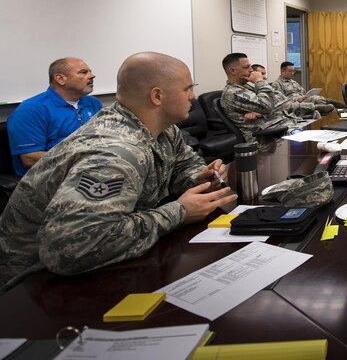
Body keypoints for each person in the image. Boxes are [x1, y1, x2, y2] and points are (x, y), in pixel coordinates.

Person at [0, 52, 237, 291]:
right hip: (35, 285)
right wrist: (180, 211)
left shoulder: (163, 129)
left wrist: (199, 177)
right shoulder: (114, 153)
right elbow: (70, 249)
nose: (192, 97)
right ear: (157, 96)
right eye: (187, 89)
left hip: (107, 261)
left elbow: (183, 165)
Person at [7, 57, 103, 176]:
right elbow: (29, 158)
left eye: (90, 71)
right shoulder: (31, 109)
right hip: (48, 177)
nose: (92, 76)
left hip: (91, 168)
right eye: (83, 72)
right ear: (60, 79)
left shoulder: (93, 103)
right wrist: (83, 159)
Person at [220, 53, 312, 142]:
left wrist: (260, 113)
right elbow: (267, 105)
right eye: (246, 67)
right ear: (233, 71)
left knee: (316, 128)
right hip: (266, 137)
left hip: (282, 124)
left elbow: (279, 99)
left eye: (250, 66)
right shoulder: (232, 93)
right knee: (312, 140)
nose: (251, 70)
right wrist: (259, 81)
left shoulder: (248, 86)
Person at [271, 61, 339, 112]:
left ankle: (329, 102)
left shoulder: (293, 82)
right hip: (293, 103)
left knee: (315, 98)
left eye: (293, 71)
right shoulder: (277, 84)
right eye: (290, 71)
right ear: (283, 71)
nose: (292, 73)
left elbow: (302, 91)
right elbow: (280, 102)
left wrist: (305, 95)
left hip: (302, 99)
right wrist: (296, 99)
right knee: (305, 104)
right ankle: (319, 107)